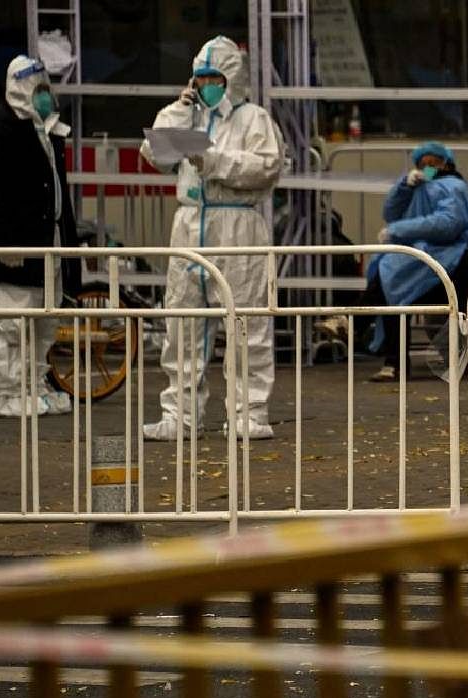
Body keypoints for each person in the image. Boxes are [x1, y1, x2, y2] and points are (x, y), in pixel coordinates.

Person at [140, 36, 284, 440]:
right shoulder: (191, 115)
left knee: (245, 323)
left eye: (213, 77)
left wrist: (213, 160)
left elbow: (266, 168)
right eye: (200, 78)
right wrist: (179, 108)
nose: (206, 85)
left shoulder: (254, 118)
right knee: (182, 323)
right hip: (189, 224)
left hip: (236, 225)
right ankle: (180, 414)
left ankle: (250, 411)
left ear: (231, 77)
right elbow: (154, 153)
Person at [0, 56, 79, 418]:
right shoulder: (2, 127)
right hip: (14, 249)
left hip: (44, 244)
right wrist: (6, 244)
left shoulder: (45, 131)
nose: (46, 98)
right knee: (8, 323)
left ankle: (30, 385)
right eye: (39, 91)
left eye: (47, 91)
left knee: (40, 321)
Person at [359, 141, 468, 381]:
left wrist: (399, 229)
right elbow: (391, 212)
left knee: (390, 284)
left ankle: (358, 326)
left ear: (445, 162)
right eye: (422, 164)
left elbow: (448, 224)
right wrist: (403, 187)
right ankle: (364, 332)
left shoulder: (454, 187)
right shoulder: (418, 187)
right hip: (423, 261)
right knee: (388, 278)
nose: (428, 167)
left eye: (433, 162)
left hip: (451, 259)